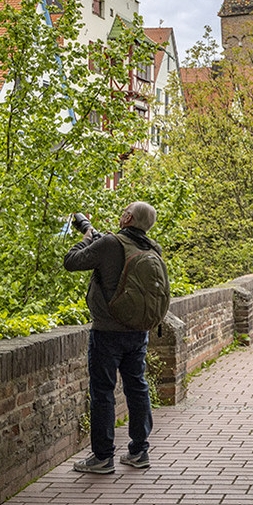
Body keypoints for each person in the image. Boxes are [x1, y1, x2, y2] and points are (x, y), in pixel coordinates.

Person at [64, 201, 161, 474]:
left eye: (124, 212)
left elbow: (71, 262)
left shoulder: (109, 244)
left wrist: (85, 238)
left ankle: (103, 457)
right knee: (137, 387)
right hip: (138, 330)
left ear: (128, 218)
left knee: (103, 393)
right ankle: (139, 451)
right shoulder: (153, 248)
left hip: (107, 331)